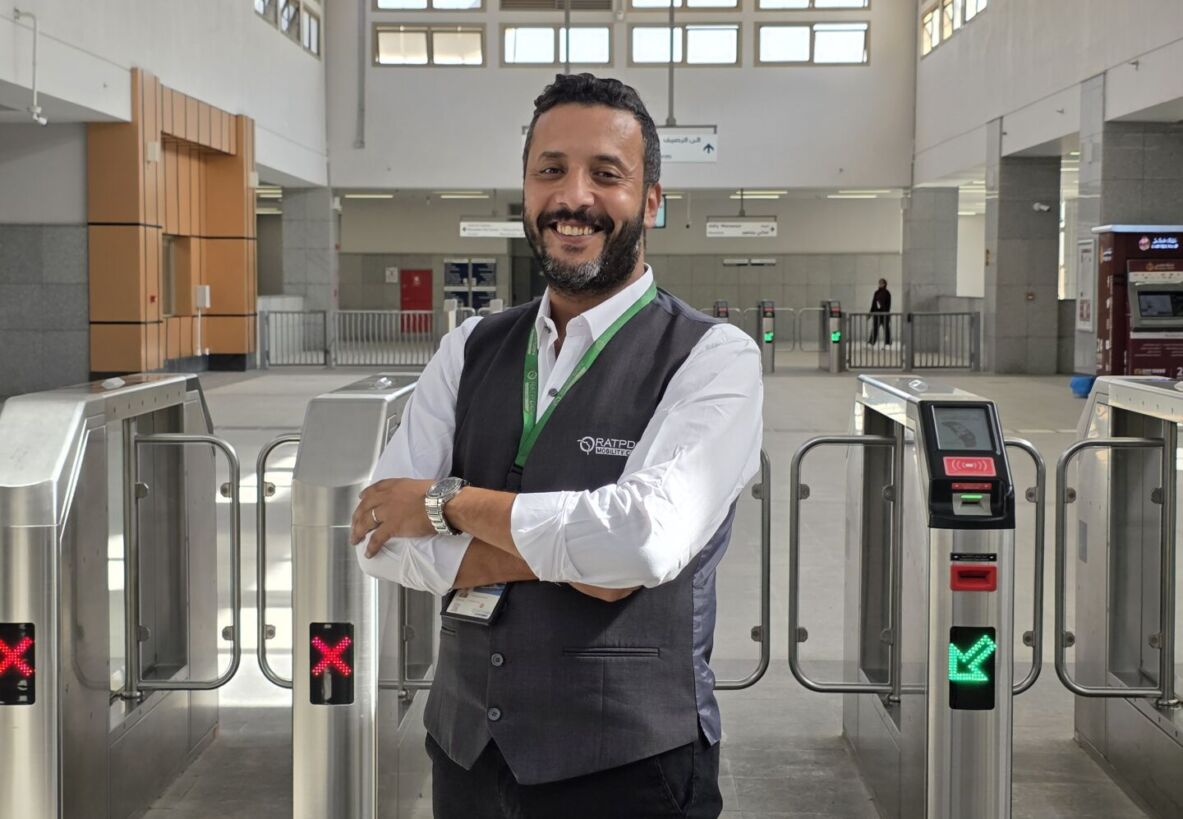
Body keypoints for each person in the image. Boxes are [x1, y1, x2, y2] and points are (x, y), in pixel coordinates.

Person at [348, 73, 762, 818]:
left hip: (630, 764)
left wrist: (444, 503)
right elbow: (379, 536)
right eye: (550, 171)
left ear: (653, 201)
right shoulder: (470, 346)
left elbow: (639, 542)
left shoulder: (713, 357)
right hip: (467, 754)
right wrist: (577, 552)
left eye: (607, 174)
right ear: (526, 192)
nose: (573, 197)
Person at [868, 277, 892, 346]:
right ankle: (871, 342)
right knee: (875, 328)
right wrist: (870, 313)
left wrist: (886, 313)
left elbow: (888, 305)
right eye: (879, 283)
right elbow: (873, 304)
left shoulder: (887, 293)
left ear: (884, 284)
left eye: (881, 283)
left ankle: (888, 343)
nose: (880, 284)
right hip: (876, 314)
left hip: (884, 314)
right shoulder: (876, 293)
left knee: (886, 329)